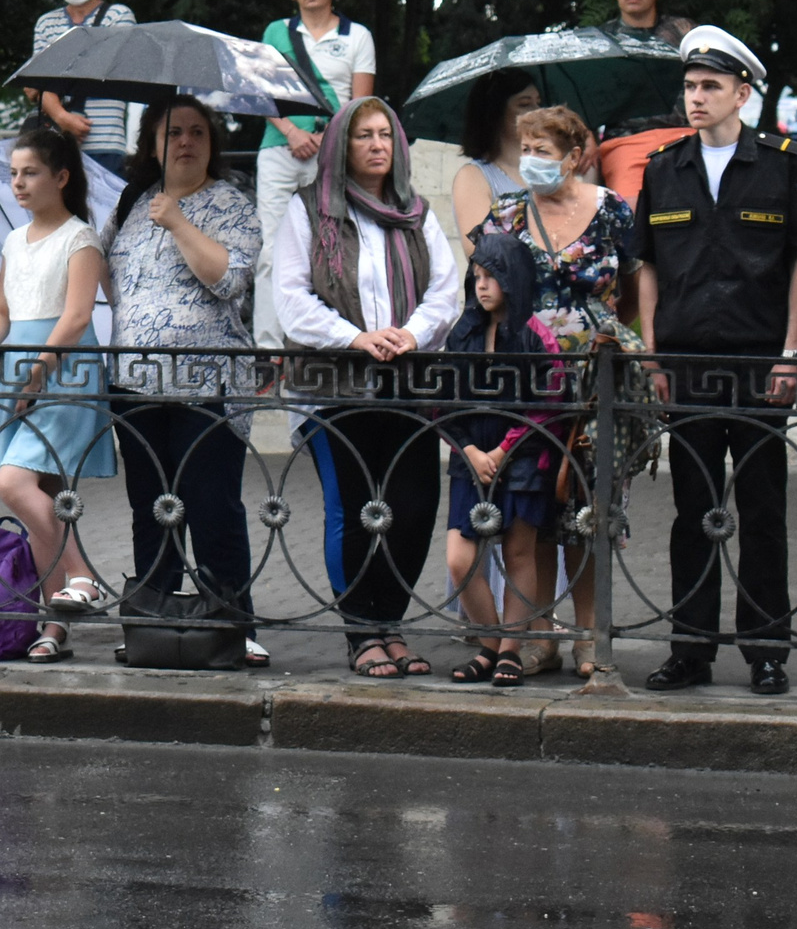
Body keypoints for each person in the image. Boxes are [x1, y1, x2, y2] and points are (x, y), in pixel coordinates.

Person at [632, 25, 797, 696]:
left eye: (710, 85)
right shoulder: (664, 167)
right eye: (689, 85)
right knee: (694, 512)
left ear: (742, 94)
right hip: (686, 362)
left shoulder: (782, 165)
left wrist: (792, 353)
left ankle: (766, 650)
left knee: (763, 510)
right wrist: (652, 352)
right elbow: (646, 264)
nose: (696, 97)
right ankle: (691, 650)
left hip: (757, 360)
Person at [273, 97, 461, 678]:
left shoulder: (416, 211)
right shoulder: (309, 211)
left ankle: (391, 624)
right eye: (364, 135)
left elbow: (446, 290)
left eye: (385, 134)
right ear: (340, 146)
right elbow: (291, 298)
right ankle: (361, 630)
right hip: (335, 387)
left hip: (407, 384)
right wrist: (355, 337)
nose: (378, 145)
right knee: (353, 507)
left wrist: (410, 333)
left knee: (413, 506)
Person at [473, 106, 640, 677]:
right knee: (534, 507)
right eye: (525, 150)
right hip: (530, 380)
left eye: (542, 151)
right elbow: (484, 284)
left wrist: (614, 341)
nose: (531, 161)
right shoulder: (506, 213)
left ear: (574, 156)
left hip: (596, 381)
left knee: (589, 509)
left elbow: (636, 284)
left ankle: (590, 633)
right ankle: (539, 633)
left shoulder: (612, 209)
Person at [104, 96, 263, 658]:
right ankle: (154, 626)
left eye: (198, 132)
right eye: (173, 133)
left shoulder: (232, 204)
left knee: (212, 507)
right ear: (153, 144)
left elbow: (228, 280)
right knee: (152, 509)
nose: (186, 142)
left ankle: (234, 629)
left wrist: (178, 222)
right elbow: (103, 270)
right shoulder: (132, 202)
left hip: (207, 385)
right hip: (134, 384)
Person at [0, 124, 115, 662]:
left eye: (30, 173)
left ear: (62, 177)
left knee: (13, 482)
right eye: (14, 174)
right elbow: (3, 311)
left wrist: (39, 369)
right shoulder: (13, 240)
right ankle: (54, 626)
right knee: (41, 499)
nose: (19, 183)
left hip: (63, 371)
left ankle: (82, 574)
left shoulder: (81, 238)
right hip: (19, 370)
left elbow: (76, 316)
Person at [441, 233, 568, 689]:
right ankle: (490, 644)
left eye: (491, 276)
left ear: (513, 278)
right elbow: (443, 402)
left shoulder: (537, 337)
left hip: (523, 462)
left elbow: (548, 406)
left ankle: (510, 651)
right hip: (470, 460)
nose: (482, 285)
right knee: (460, 559)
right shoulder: (463, 334)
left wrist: (501, 450)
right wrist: (472, 451)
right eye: (476, 276)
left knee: (518, 554)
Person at [253, 0, 378, 348]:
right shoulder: (276, 32)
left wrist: (327, 139)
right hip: (279, 148)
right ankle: (269, 349)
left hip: (332, 153)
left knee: (330, 247)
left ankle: (325, 340)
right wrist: (292, 131)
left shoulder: (357, 36)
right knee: (271, 250)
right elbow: (260, 91)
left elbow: (361, 104)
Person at [25, 0, 138, 170]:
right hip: (56, 145)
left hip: (105, 144)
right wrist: (62, 117)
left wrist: (48, 79)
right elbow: (33, 85)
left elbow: (108, 69)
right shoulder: (46, 23)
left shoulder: (118, 16)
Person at [451, 68, 540, 243]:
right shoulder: (473, 176)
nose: (537, 111)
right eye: (524, 104)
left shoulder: (547, 168)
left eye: (538, 102)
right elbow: (478, 248)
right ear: (496, 111)